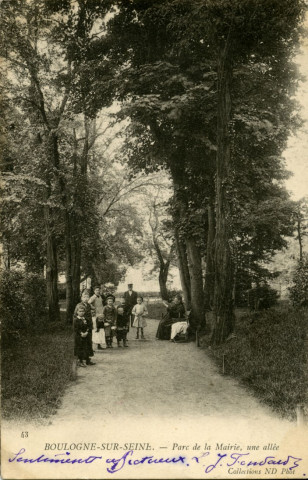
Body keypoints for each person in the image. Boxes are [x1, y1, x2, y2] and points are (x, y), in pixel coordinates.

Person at [73, 289, 94, 357]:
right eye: (84, 297)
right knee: (82, 344)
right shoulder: (79, 305)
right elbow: (75, 315)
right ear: (81, 298)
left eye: (87, 297)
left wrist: (90, 326)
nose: (86, 298)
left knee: (88, 342)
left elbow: (91, 315)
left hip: (88, 325)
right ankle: (81, 359)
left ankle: (87, 358)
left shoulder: (89, 305)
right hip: (81, 326)